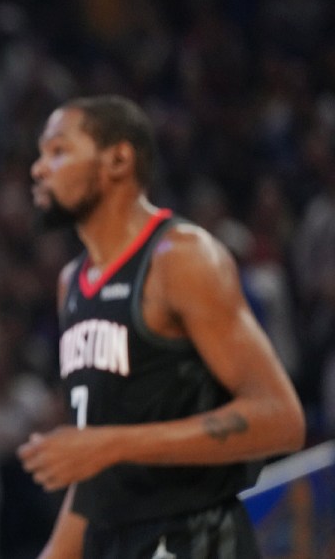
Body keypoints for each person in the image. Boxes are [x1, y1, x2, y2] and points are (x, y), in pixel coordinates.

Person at [18, 95, 304, 559]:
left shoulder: (182, 258)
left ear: (118, 160)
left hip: (194, 540)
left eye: (58, 151)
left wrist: (110, 445)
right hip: (113, 543)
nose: (38, 169)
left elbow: (282, 419)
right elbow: (98, 471)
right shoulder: (72, 283)